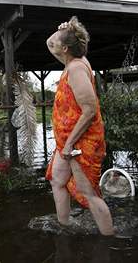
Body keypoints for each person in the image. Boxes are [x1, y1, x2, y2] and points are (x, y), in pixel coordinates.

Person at [45, 16, 115, 236]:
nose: (52, 44)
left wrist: (69, 144)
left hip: (80, 142)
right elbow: (49, 43)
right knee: (57, 180)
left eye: (57, 42)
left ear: (65, 48)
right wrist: (62, 29)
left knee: (89, 192)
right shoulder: (71, 60)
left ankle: (110, 238)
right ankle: (65, 226)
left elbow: (89, 110)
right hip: (65, 142)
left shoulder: (76, 68)